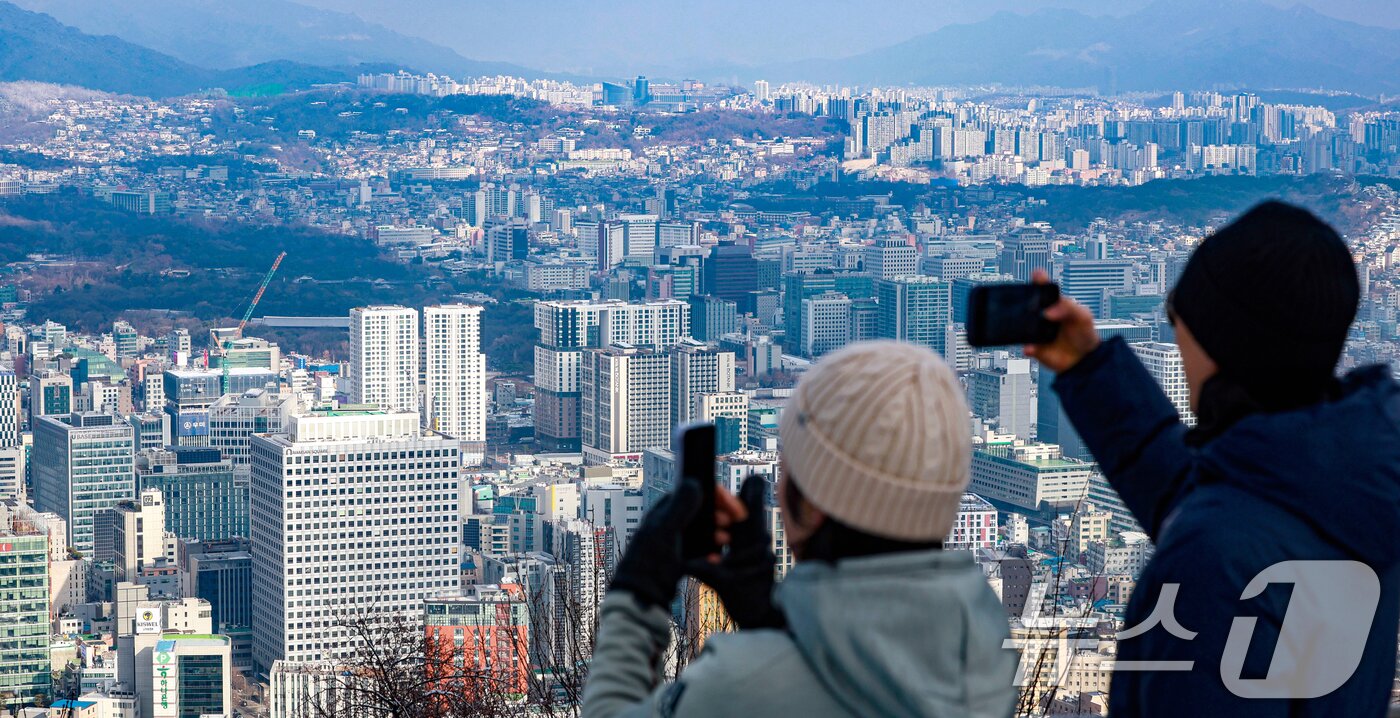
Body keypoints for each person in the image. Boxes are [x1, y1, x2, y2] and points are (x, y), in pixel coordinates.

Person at [1026, 201, 1400, 716]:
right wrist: (1090, 370)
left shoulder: (1213, 565)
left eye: (1179, 324)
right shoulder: (1349, 491)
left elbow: (1217, 530)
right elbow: (1207, 496)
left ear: (1220, 345)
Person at [582, 340, 1018, 718]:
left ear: (810, 508)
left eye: (786, 470)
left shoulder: (737, 686)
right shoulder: (984, 646)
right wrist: (773, 622)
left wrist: (637, 593)